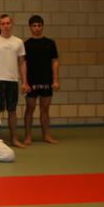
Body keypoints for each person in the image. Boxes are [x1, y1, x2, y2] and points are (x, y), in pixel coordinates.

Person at [0, 14, 29, 148]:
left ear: (12, 24)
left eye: (8, 23)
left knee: (12, 110)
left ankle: (14, 139)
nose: (6, 26)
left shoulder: (18, 42)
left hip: (12, 80)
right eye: (3, 23)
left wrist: (24, 82)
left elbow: (22, 63)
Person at [23, 15, 60, 145]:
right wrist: (24, 82)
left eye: (39, 26)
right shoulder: (26, 44)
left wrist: (55, 80)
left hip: (46, 80)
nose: (37, 28)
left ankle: (46, 135)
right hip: (31, 81)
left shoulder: (50, 43)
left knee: (45, 109)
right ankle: (28, 136)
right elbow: (23, 64)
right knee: (30, 109)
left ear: (42, 26)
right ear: (30, 27)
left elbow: (55, 62)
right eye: (34, 26)